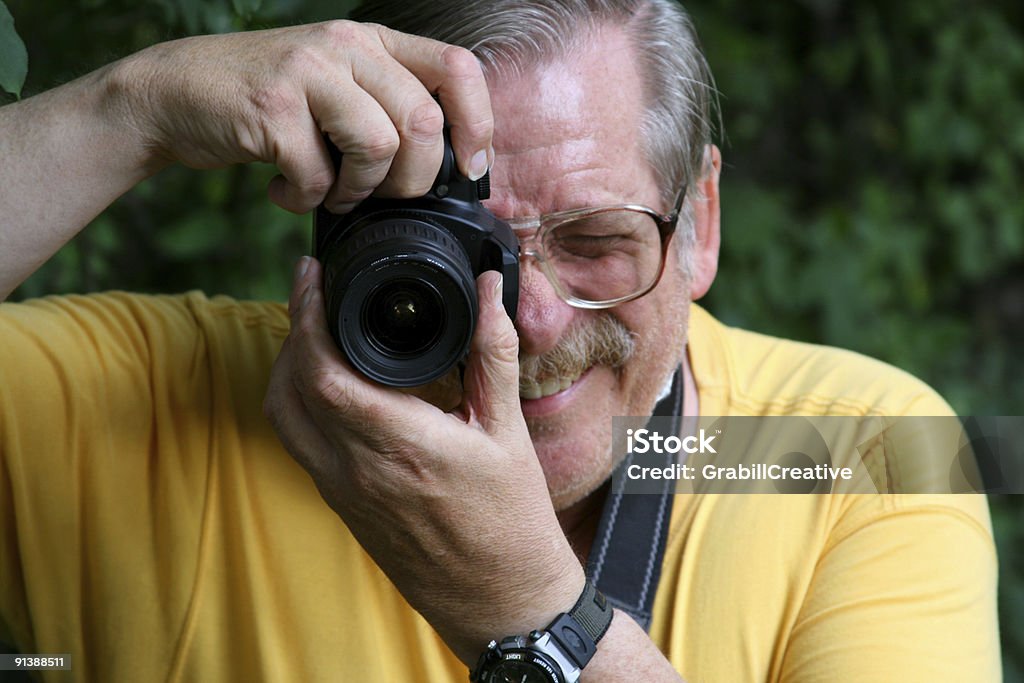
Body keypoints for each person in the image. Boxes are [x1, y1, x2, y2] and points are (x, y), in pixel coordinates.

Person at [0, 0, 1000, 681]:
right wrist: (123, 112)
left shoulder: (857, 452)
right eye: (461, 254)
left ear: (698, 222)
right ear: (344, 228)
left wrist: (532, 618)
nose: (527, 323)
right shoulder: (157, 410)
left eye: (598, 241)